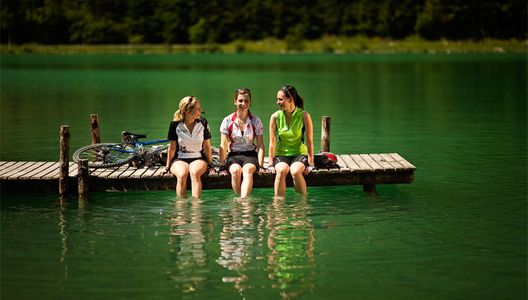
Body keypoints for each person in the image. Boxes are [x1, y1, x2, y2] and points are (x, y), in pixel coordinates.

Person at [268, 85, 314, 196]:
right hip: (281, 154)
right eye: (277, 99)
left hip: (299, 154)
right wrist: (270, 164)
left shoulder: (304, 115)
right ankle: (278, 205)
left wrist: (311, 163)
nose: (277, 102)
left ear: (290, 99)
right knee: (281, 170)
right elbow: (272, 142)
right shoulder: (275, 117)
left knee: (295, 171)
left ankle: (302, 204)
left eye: (280, 99)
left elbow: (309, 141)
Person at [219, 88, 265, 198]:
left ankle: (243, 201)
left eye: (246, 101)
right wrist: (222, 166)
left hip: (250, 154)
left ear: (250, 103)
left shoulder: (256, 121)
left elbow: (260, 145)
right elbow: (223, 145)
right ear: (235, 102)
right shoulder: (227, 120)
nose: (243, 104)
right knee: (235, 171)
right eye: (240, 101)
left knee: (248, 169)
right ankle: (238, 198)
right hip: (234, 155)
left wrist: (261, 165)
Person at [165, 96, 214, 198]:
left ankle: (196, 208)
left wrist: (211, 164)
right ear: (187, 111)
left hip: (198, 157)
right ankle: (181, 209)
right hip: (180, 158)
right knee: (182, 175)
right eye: (197, 109)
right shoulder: (175, 124)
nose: (200, 111)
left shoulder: (203, 123)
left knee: (194, 172)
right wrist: (167, 166)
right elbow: (172, 148)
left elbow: (206, 146)